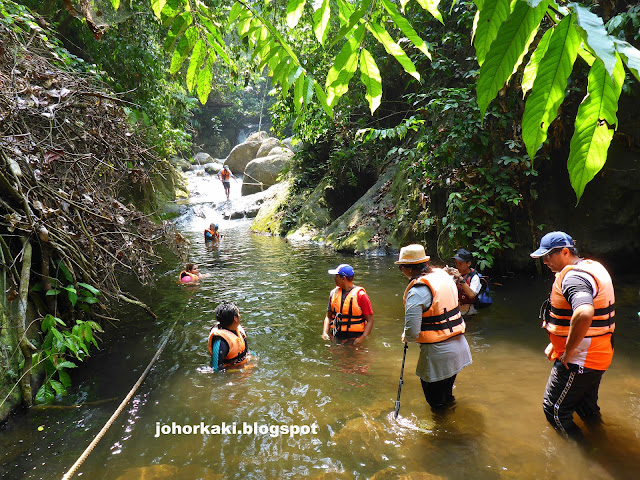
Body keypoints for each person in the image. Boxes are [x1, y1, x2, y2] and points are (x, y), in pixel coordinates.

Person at [530, 231, 615, 440]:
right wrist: (557, 343)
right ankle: (602, 446)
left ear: (565, 252)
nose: (545, 260)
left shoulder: (574, 277)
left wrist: (567, 350)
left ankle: (586, 461)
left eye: (548, 255)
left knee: (555, 410)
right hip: (597, 354)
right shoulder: (589, 268)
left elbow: (585, 312)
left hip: (580, 359)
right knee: (585, 408)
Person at [396, 244, 472, 411]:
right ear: (424, 263)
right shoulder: (442, 276)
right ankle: (452, 420)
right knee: (447, 396)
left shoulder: (417, 291)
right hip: (458, 346)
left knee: (436, 404)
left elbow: (412, 332)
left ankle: (442, 435)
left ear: (407, 269)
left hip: (438, 354)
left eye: (401, 267)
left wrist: (406, 336)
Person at [322, 264, 374, 345]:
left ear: (343, 279)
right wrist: (325, 333)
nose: (334, 279)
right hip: (337, 334)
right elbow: (328, 316)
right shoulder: (333, 293)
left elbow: (370, 320)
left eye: (336, 276)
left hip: (355, 337)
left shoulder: (361, 296)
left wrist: (362, 338)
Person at [208, 302, 248, 371]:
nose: (240, 316)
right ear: (235, 318)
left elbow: (246, 351)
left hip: (242, 364)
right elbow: (215, 369)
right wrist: (238, 370)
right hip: (232, 373)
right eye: (239, 314)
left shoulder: (239, 330)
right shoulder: (220, 341)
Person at [447, 248, 482, 316]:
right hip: (454, 308)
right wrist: (443, 275)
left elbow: (471, 295)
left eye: (460, 263)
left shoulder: (474, 278)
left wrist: (460, 278)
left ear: (468, 263)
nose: (457, 266)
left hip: (468, 312)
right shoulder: (453, 273)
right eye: (456, 263)